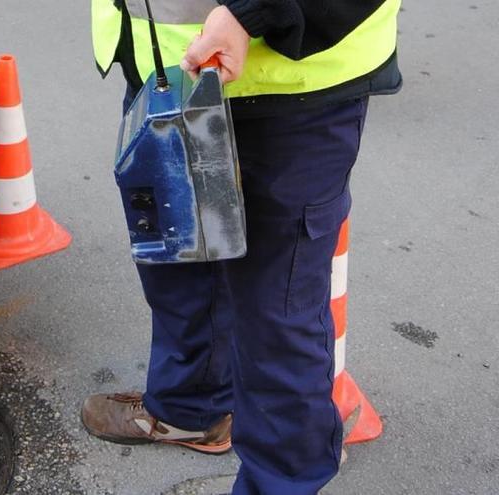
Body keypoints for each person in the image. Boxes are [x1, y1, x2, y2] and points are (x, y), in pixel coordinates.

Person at [84, 0, 401, 492]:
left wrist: (253, 11)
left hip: (291, 87)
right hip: (169, 64)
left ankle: (280, 481)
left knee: (276, 317)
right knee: (179, 258)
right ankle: (192, 410)